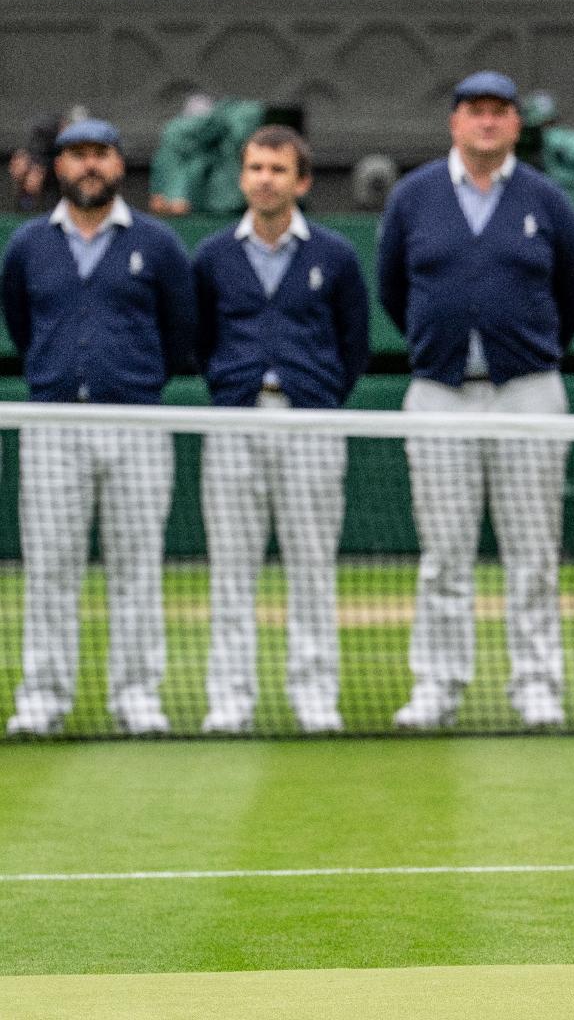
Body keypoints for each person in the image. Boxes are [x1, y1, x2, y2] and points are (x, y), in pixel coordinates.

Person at [378, 71, 574, 731]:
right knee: (443, 555)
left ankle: (536, 683)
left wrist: (521, 348)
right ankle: (437, 685)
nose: (487, 123)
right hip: (439, 393)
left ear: (515, 125)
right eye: (476, 112)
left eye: (500, 112)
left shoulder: (545, 201)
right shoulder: (414, 197)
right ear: (455, 122)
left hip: (528, 392)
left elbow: (570, 293)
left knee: (533, 550)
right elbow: (391, 288)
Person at [3, 119, 196, 736]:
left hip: (134, 420)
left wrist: (131, 380)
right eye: (77, 156)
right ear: (58, 167)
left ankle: (137, 696)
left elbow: (179, 332)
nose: (90, 166)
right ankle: (42, 698)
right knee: (51, 566)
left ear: (120, 164)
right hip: (54, 421)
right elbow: (22, 324)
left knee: (136, 565)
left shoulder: (159, 244)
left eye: (102, 155)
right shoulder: (28, 244)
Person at [192, 125, 369, 735]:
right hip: (236, 424)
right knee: (231, 571)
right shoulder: (212, 256)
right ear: (243, 177)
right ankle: (229, 701)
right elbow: (199, 340)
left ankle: (315, 698)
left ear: (302, 180)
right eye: (256, 168)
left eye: (278, 169)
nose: (266, 178)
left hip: (312, 427)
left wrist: (314, 396)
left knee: (312, 569)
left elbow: (354, 347)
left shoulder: (336, 256)